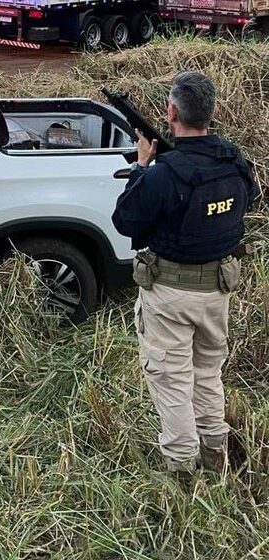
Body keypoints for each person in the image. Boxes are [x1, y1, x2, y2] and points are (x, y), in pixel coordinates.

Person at [112, 71, 258, 479]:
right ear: (210, 112)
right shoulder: (234, 161)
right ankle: (216, 456)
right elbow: (246, 201)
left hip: (170, 295)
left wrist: (142, 166)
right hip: (217, 290)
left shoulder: (163, 173)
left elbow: (125, 220)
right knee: (207, 375)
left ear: (171, 111)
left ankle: (181, 473)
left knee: (173, 382)